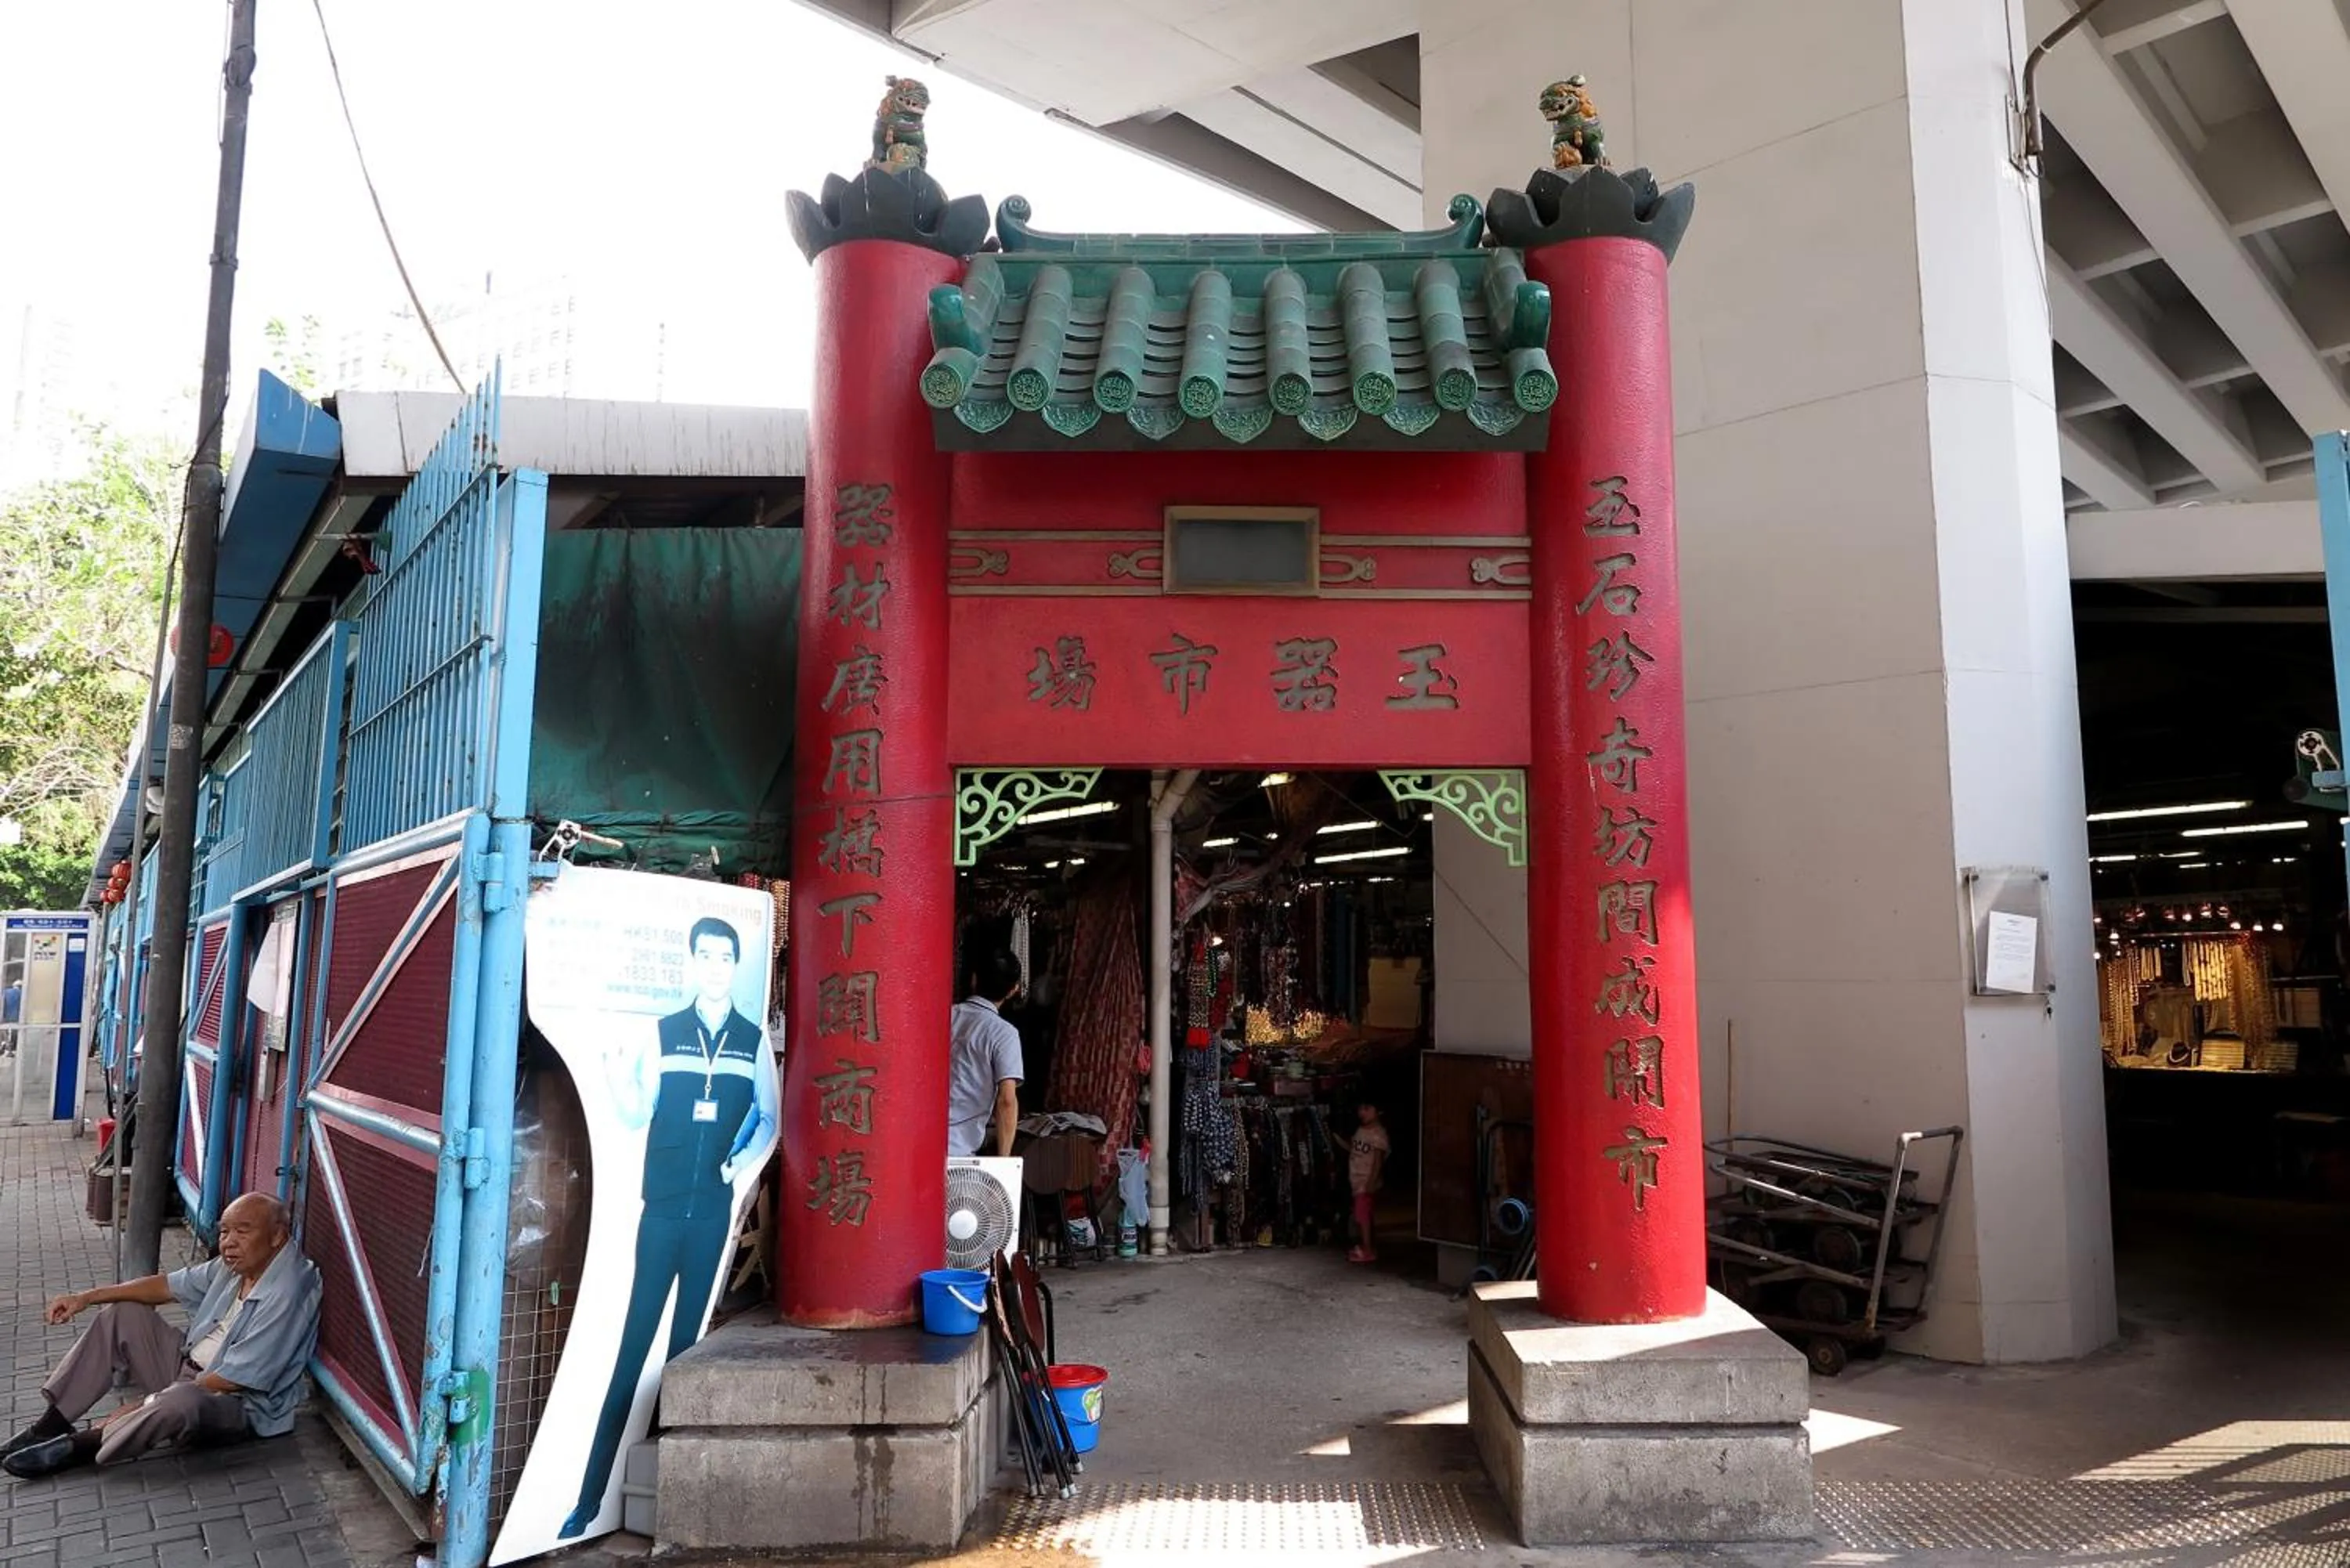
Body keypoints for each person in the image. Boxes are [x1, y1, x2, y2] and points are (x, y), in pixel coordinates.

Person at [562, 915, 777, 1541]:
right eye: (704, 956)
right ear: (691, 962)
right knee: (632, 1352)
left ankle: (671, 1492)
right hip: (658, 1212)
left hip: (711, 1213)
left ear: (734, 967)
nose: (714, 967)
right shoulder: (664, 1034)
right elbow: (634, 1113)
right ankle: (587, 1502)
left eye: (723, 957)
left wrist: (738, 1165)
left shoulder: (752, 1038)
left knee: (686, 1351)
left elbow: (769, 1116)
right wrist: (609, 1070)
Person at [2, 1192, 320, 1479]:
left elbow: (238, 1378)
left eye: (242, 1231)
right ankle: (51, 1425)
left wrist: (146, 1402)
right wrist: (87, 1297)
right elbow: (165, 1285)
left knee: (179, 1401)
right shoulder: (236, 1264)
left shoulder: (288, 1290)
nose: (229, 1242)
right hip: (187, 1368)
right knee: (123, 1315)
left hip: (234, 1403)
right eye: (224, 1231)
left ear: (278, 1235)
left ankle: (83, 1445)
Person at [948, 946, 1025, 1158]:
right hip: (958, 1151)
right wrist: (1004, 1160)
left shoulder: (945, 1015)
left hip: (918, 1140)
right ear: (1013, 990)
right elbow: (1007, 1100)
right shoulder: (1004, 1034)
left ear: (974, 980)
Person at [1347, 1100, 1390, 1265]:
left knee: (1362, 1215)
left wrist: (1371, 1182)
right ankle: (1368, 1246)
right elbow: (1354, 1150)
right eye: (1360, 1108)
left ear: (1378, 1111)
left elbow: (1378, 1162)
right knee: (1364, 1215)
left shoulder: (1378, 1135)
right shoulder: (1360, 1131)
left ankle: (1368, 1250)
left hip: (1366, 1182)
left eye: (1367, 1109)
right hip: (1357, 1179)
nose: (1362, 1113)